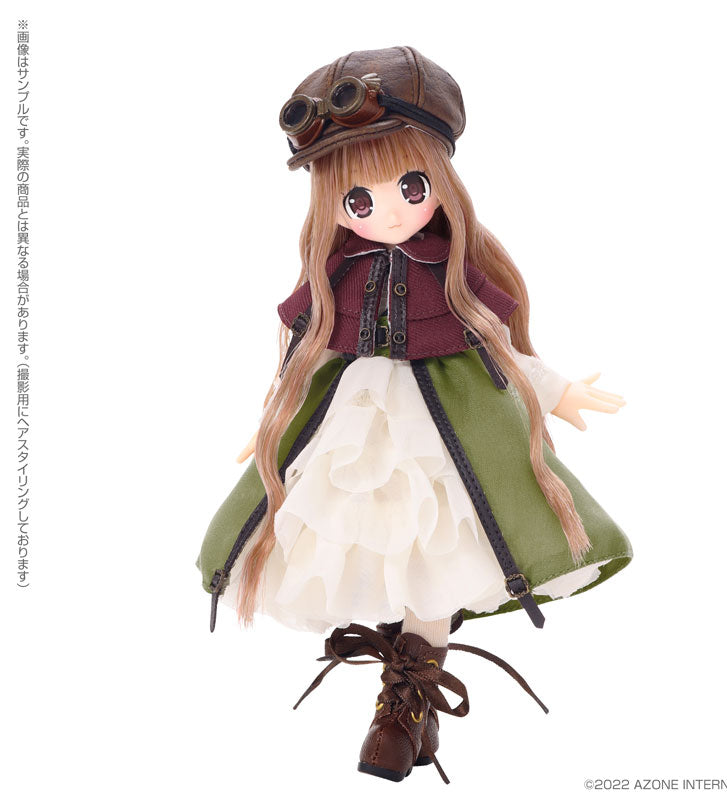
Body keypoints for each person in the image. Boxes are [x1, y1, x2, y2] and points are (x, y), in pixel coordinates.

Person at [197, 46, 632, 784]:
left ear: (441, 182)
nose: (389, 211)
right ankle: (406, 689)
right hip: (350, 428)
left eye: (410, 186)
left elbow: (496, 344)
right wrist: (273, 420)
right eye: (357, 200)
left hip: (446, 431)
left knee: (437, 545)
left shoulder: (450, 271)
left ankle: (406, 697)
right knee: (366, 539)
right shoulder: (336, 274)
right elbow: (301, 345)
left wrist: (557, 389)